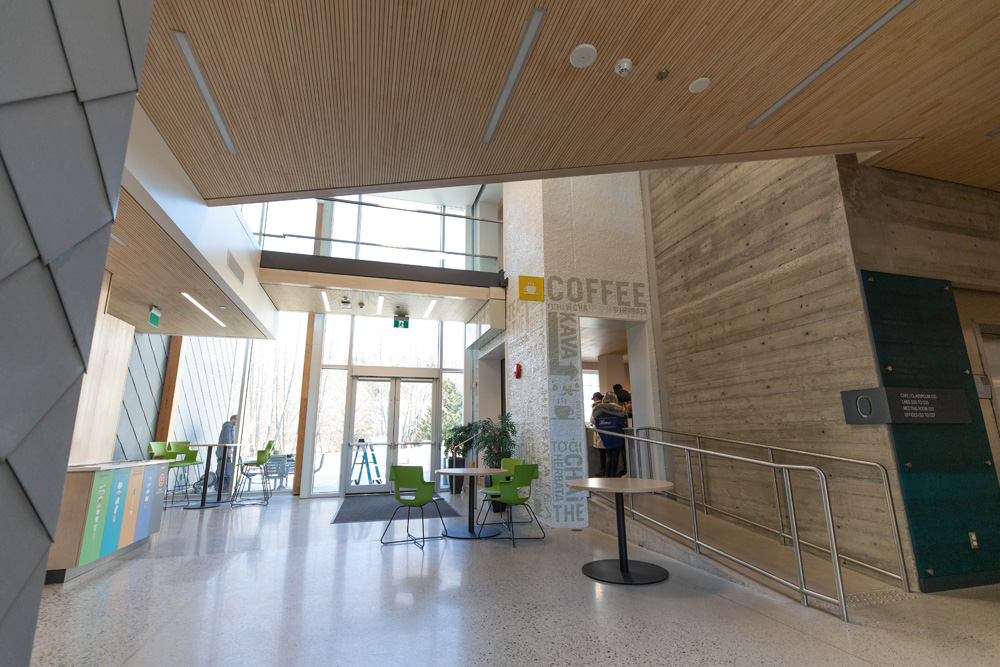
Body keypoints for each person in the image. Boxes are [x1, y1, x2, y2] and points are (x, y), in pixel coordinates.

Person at [591, 392, 628, 478]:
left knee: (610, 456)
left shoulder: (599, 410)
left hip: (605, 436)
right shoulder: (619, 409)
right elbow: (623, 421)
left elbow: (594, 421)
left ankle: (608, 475)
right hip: (616, 435)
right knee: (615, 456)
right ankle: (612, 475)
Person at [215, 414, 238, 493]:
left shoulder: (231, 428)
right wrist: (230, 447)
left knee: (224, 468)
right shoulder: (228, 427)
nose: (237, 422)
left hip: (225, 452)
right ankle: (224, 487)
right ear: (233, 419)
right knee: (225, 469)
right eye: (237, 420)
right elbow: (227, 438)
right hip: (224, 452)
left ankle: (223, 487)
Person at [589, 392, 608, 476]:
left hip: (599, 432)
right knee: (609, 454)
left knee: (602, 454)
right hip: (607, 432)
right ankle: (609, 471)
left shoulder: (596, 407)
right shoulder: (606, 406)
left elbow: (592, 420)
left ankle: (603, 470)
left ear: (595, 399)